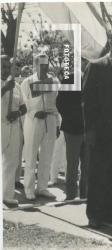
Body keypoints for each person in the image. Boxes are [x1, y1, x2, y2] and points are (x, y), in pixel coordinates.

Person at [82, 29, 112, 228]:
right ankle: (94, 214)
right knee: (97, 173)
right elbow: (87, 101)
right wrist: (90, 130)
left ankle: (109, 212)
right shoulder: (96, 66)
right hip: (100, 131)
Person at [20, 54, 60, 201]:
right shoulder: (27, 81)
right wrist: (35, 113)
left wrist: (56, 124)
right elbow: (24, 104)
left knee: (47, 155)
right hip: (34, 120)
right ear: (35, 65)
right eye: (41, 65)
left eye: (46, 65)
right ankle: (29, 189)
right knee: (30, 155)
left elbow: (56, 103)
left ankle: (42, 188)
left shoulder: (54, 80)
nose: (44, 67)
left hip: (49, 119)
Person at [56, 57, 89, 200]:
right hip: (73, 128)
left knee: (87, 165)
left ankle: (84, 195)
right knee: (72, 164)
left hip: (88, 130)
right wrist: (72, 117)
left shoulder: (90, 78)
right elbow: (60, 102)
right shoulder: (69, 79)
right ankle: (70, 195)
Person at [1, 55, 27, 206]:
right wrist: (4, 89)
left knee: (11, 162)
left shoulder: (16, 86)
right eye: (2, 66)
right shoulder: (7, 85)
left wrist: (17, 113)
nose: (5, 70)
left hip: (13, 126)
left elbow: (24, 107)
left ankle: (7, 195)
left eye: (7, 67)